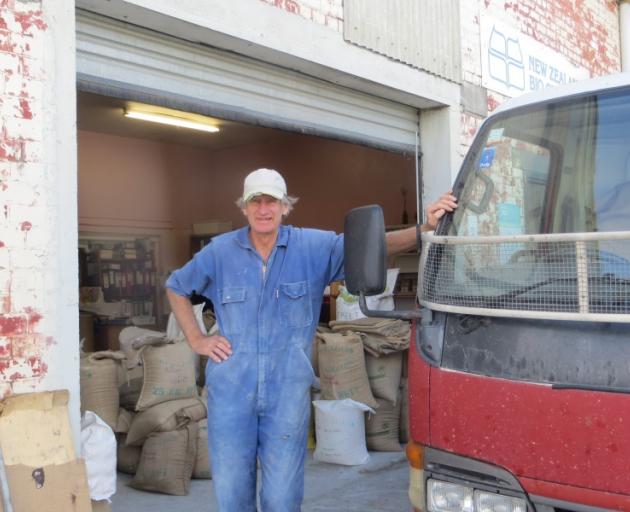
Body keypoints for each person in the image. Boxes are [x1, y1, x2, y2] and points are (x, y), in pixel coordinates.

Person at [165, 168, 457, 512]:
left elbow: (371, 246)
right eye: (255, 201)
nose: (263, 209)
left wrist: (423, 229)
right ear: (243, 207)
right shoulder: (220, 252)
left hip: (286, 397)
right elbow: (176, 286)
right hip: (230, 395)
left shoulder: (312, 247)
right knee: (232, 498)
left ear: (285, 207)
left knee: (283, 499)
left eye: (271, 201)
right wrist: (198, 339)